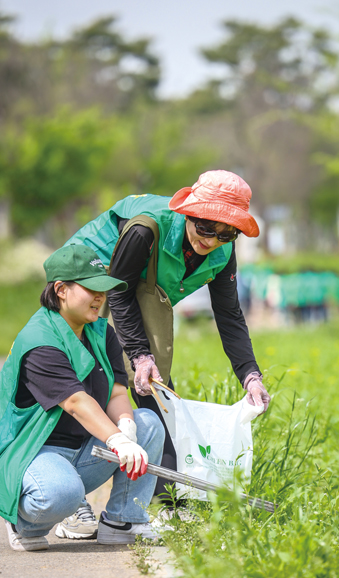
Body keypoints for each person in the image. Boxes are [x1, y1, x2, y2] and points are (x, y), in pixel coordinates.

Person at [62, 169, 271, 508]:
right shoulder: (147, 229)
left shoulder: (221, 253)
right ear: (189, 212)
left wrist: (250, 375)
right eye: (205, 227)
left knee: (154, 386)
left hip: (139, 285)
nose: (212, 240)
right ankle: (73, 500)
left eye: (226, 233)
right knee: (88, 378)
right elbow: (120, 291)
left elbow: (229, 315)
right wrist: (139, 354)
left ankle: (168, 501)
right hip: (90, 273)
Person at [0, 244, 165, 551]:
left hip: (82, 448)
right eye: (92, 289)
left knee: (147, 423)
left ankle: (123, 521)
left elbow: (114, 389)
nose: (101, 297)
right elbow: (74, 401)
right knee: (62, 493)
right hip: (34, 452)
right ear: (60, 289)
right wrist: (118, 441)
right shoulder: (40, 341)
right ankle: (23, 520)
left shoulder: (100, 331)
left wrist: (126, 424)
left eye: (104, 289)